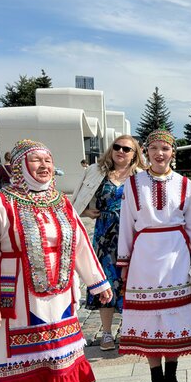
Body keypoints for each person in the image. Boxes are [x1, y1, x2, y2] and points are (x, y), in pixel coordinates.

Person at [0, 139, 112, 382]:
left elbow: (79, 244)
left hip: (58, 296)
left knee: (52, 357)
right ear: (19, 167)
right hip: (16, 296)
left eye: (48, 160)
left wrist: (97, 283)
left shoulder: (60, 202)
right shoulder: (0, 201)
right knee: (18, 361)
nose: (44, 165)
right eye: (36, 160)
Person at [117, 129, 191, 382]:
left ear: (172, 154)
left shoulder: (184, 183)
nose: (159, 154)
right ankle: (156, 379)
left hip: (176, 255)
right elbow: (126, 224)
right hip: (144, 256)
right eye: (154, 148)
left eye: (165, 149)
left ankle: (172, 375)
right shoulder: (133, 184)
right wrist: (124, 260)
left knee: (175, 315)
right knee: (151, 318)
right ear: (146, 152)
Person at [71, 134, 144, 352]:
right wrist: (84, 211)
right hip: (105, 236)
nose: (121, 151)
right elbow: (77, 198)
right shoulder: (96, 172)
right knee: (106, 282)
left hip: (132, 235)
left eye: (126, 149)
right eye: (117, 147)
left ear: (134, 155)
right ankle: (106, 332)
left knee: (132, 281)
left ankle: (131, 329)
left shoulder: (141, 176)